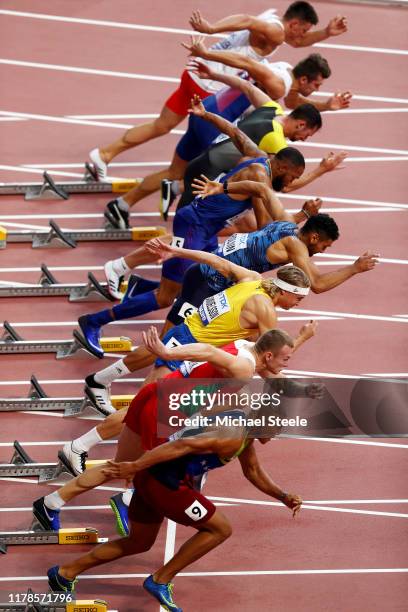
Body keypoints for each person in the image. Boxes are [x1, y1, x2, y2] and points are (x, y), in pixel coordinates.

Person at [45, 331, 303, 611]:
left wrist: (282, 496)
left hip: (156, 452)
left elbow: (253, 471)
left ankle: (64, 573)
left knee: (139, 542)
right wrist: (136, 465)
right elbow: (181, 445)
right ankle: (160, 580)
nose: (278, 434)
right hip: (163, 479)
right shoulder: (232, 432)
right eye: (278, 428)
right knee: (220, 529)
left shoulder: (246, 437)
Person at [34, 327, 304, 534]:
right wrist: (167, 354)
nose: (287, 364)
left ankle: (50, 504)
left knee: (120, 465)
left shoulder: (247, 346)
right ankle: (128, 500)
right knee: (148, 467)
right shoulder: (244, 369)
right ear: (268, 355)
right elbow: (208, 352)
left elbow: (254, 368)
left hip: (157, 394)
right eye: (286, 358)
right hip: (167, 410)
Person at [89, 2, 347, 180]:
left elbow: (291, 39)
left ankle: (104, 155)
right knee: (213, 155)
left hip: (196, 74)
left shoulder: (273, 22)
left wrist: (326, 33)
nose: (302, 37)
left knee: (162, 125)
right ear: (294, 24)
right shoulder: (274, 31)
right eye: (304, 30)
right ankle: (175, 187)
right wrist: (210, 29)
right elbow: (245, 20)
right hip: (208, 85)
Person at [104, 49, 349, 227]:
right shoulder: (276, 133)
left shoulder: (276, 98)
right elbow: (284, 183)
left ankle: (124, 204)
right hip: (213, 139)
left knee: (179, 173)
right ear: (302, 123)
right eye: (308, 133)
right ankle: (135, 262)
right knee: (202, 219)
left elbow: (247, 87)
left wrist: (214, 74)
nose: (305, 139)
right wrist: (322, 170)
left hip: (207, 113)